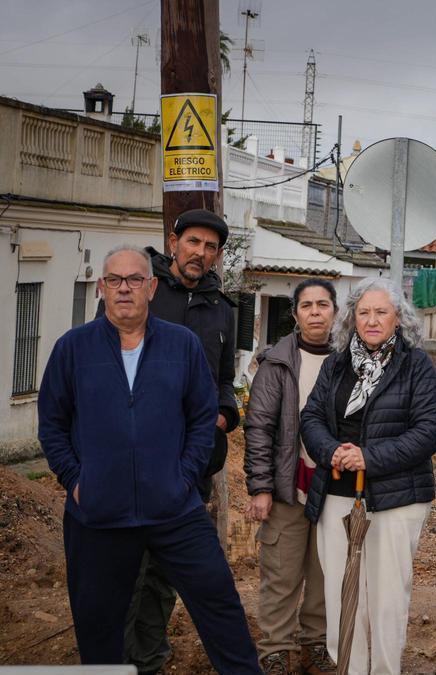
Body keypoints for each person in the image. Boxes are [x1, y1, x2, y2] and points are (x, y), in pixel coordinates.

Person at [38, 245, 261, 673]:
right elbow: (51, 424)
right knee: (98, 627)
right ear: (101, 288)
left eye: (135, 280)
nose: (125, 289)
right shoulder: (73, 349)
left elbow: (201, 417)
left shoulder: (182, 345)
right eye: (115, 281)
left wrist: (183, 477)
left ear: (152, 287)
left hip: (174, 510)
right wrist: (77, 480)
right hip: (99, 515)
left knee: (221, 604)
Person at [99, 209, 242, 673]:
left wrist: (223, 415)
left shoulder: (221, 307)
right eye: (194, 242)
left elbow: (224, 379)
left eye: (211, 247)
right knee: (123, 569)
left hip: (190, 466)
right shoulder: (142, 291)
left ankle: (150, 656)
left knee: (165, 571)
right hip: (133, 462)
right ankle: (115, 658)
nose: (201, 252)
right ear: (173, 241)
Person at [300, 277, 436, 675]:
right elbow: (311, 417)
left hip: (395, 500)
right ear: (352, 318)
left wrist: (370, 457)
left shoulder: (417, 366)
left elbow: (428, 431)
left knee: (385, 600)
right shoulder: (336, 364)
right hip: (337, 494)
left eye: (381, 312)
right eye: (363, 312)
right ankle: (347, 668)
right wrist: (333, 452)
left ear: (398, 318)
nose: (372, 319)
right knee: (342, 596)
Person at [243, 279, 340, 675]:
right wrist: (261, 487)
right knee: (281, 572)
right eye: (307, 305)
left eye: (323, 304)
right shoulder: (277, 362)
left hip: (334, 488)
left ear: (335, 311)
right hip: (287, 487)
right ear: (295, 313)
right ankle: (275, 649)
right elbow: (259, 427)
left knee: (324, 571)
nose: (315, 312)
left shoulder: (350, 358)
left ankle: (316, 642)